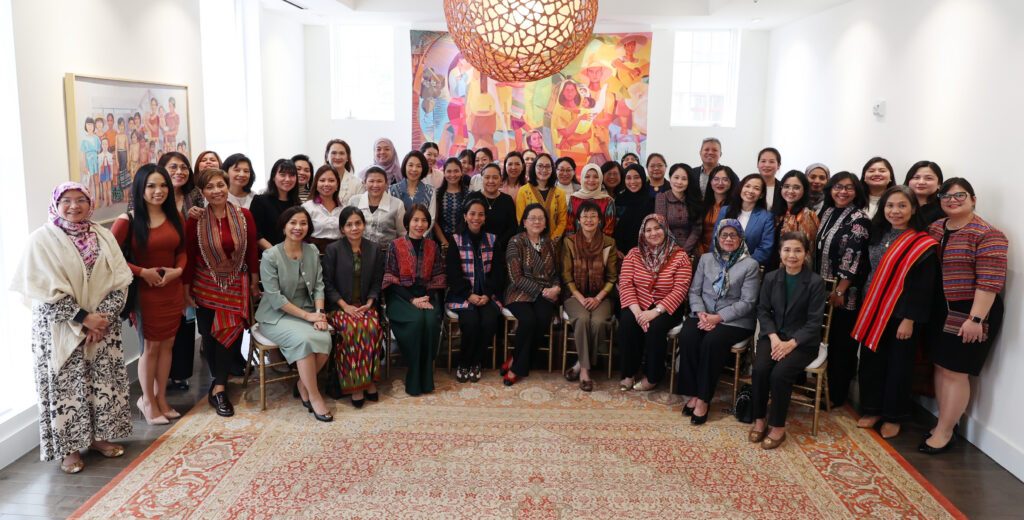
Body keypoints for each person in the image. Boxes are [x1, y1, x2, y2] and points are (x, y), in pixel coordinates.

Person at [10, 182, 134, 473]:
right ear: (56, 203)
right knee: (67, 387)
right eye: (67, 200)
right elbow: (40, 291)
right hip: (60, 328)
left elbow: (121, 279)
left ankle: (99, 437)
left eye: (81, 200)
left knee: (100, 383)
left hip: (101, 327)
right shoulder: (40, 240)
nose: (74, 206)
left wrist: (100, 319)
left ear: (90, 204)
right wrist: (84, 318)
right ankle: (69, 448)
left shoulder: (103, 236)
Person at [921, 178, 1007, 454]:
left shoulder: (987, 234)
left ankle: (946, 431)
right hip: (938, 307)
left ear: (973, 199)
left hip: (970, 309)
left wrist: (977, 319)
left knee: (956, 371)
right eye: (946, 195)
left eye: (960, 195)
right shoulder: (935, 227)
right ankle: (943, 422)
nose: (952, 200)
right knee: (940, 365)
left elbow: (989, 281)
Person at [853, 186, 938, 439]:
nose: (895, 211)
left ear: (913, 209)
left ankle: (894, 415)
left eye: (902, 205)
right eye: (890, 205)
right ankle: (872, 409)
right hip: (872, 309)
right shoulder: (877, 233)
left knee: (898, 366)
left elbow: (923, 288)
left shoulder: (923, 243)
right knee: (870, 362)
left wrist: (909, 319)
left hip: (901, 316)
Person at [111, 165, 187, 425]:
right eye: (151, 186)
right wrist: (142, 272)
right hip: (146, 293)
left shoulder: (175, 216)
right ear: (140, 189)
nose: (158, 191)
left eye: (163, 185)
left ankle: (161, 398)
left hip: (172, 290)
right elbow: (110, 258)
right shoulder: (127, 220)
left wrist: (178, 271)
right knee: (151, 347)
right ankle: (146, 401)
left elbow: (182, 251)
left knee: (168, 345)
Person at [184, 169, 260, 418]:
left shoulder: (244, 215)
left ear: (227, 187)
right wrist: (186, 291)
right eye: (210, 187)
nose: (216, 191)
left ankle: (218, 388)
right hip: (205, 286)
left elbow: (250, 252)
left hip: (237, 286)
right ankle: (218, 384)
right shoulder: (195, 220)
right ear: (202, 192)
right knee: (210, 337)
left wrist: (253, 282)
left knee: (232, 336)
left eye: (220, 185)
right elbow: (190, 257)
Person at [677, 219, 760, 424]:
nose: (728, 239)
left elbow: (747, 302)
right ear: (717, 237)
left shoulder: (750, 265)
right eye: (724, 235)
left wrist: (719, 317)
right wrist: (701, 313)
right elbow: (694, 291)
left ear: (741, 238)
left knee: (711, 342)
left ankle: (704, 399)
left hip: (734, 320)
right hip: (703, 314)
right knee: (687, 336)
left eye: (733, 235)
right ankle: (693, 393)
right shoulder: (706, 259)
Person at [748, 232, 827, 449]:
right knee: (760, 369)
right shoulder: (772, 277)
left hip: (802, 342)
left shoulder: (815, 282)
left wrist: (790, 344)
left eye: (798, 250)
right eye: (787, 250)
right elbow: (763, 311)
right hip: (773, 336)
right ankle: (759, 420)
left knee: (780, 374)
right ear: (780, 253)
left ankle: (778, 426)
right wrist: (774, 338)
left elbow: (814, 323)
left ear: (806, 253)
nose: (792, 255)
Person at [254, 207, 333, 421]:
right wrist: (308, 318)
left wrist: (319, 313)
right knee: (304, 341)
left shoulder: (312, 252)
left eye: (303, 223)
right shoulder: (271, 256)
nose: (298, 228)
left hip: (308, 310)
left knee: (325, 338)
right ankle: (314, 396)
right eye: (293, 223)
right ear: (284, 226)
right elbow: (275, 298)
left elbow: (318, 285)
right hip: (276, 315)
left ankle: (302, 383)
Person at [814, 171, 871, 408]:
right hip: (822, 287)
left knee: (841, 344)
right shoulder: (827, 212)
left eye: (849, 187)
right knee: (823, 339)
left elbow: (853, 258)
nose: (843, 191)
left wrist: (840, 290)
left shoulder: (860, 219)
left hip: (844, 293)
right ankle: (820, 390)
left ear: (857, 191)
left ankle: (836, 395)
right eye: (838, 186)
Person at [618, 214, 692, 391]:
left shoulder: (680, 256)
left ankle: (653, 376)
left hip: (666, 306)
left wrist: (654, 312)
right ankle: (629, 372)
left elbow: (680, 289)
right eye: (648, 230)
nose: (653, 233)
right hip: (639, 303)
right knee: (628, 322)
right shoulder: (633, 254)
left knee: (656, 328)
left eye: (657, 228)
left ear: (665, 230)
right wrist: (638, 313)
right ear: (642, 233)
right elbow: (626, 284)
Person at [324, 207, 385, 408]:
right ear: (342, 228)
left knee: (372, 328)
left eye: (358, 223)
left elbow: (377, 282)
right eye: (349, 224)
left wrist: (369, 303)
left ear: (364, 225)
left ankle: (369, 381)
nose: (354, 228)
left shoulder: (374, 249)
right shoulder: (333, 250)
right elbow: (327, 284)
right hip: (340, 307)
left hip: (365, 306)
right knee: (353, 330)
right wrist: (345, 306)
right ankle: (356, 386)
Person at [383, 204, 447, 396]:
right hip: (400, 296)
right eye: (416, 220)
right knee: (416, 321)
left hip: (427, 295)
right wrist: (412, 300)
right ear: (408, 222)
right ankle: (413, 373)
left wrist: (429, 300)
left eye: (424, 220)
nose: (420, 224)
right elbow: (390, 279)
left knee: (430, 321)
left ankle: (426, 377)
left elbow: (438, 277)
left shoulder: (432, 246)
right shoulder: (395, 246)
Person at [562, 201, 619, 392]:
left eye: (593, 216)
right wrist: (579, 297)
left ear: (600, 220)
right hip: (574, 295)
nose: (589, 220)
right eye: (585, 216)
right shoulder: (569, 242)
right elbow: (566, 276)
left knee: (599, 322)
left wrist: (598, 298)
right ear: (578, 220)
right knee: (583, 318)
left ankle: (579, 364)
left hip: (601, 295)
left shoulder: (609, 243)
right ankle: (586, 372)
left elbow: (612, 277)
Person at [501, 204, 561, 386]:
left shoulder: (549, 242)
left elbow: (557, 273)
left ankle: (515, 360)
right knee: (528, 320)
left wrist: (557, 288)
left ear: (545, 223)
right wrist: (543, 291)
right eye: (532, 218)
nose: (536, 221)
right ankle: (517, 368)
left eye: (541, 218)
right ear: (524, 222)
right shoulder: (515, 242)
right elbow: (515, 277)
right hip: (519, 292)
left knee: (543, 318)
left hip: (546, 293)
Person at [446, 199, 502, 383]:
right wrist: (468, 295)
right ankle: (463, 363)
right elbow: (452, 274)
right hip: (463, 295)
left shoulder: (493, 240)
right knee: (471, 323)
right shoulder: (456, 240)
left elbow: (497, 272)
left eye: (480, 214)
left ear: (485, 218)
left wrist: (486, 294)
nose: (476, 218)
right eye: (472, 214)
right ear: (465, 216)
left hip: (487, 294)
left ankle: (476, 362)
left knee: (488, 321)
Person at [716, 174, 775, 266]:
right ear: (741, 188)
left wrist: (742, 265)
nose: (750, 191)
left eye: (756, 188)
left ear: (761, 195)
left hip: (747, 268)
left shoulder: (766, 217)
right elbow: (715, 239)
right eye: (747, 186)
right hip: (721, 264)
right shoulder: (725, 210)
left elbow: (765, 249)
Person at [515, 153, 567, 242]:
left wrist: (551, 241)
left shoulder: (559, 193)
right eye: (540, 166)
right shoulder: (523, 191)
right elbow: (520, 219)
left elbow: (562, 221)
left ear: (552, 169)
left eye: (547, 166)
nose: (544, 169)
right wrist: (533, 240)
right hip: (530, 243)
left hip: (553, 244)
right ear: (534, 168)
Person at [772, 170, 820, 266]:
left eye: (796, 187)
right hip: (774, 269)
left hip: (796, 270)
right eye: (786, 186)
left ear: (804, 190)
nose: (790, 191)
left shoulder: (808, 215)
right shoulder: (778, 214)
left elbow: (809, 252)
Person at [349, 166, 407, 246]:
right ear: (364, 183)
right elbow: (347, 229)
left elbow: (402, 234)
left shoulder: (397, 204)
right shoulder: (354, 201)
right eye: (371, 181)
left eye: (379, 181)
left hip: (387, 254)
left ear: (386, 183)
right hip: (358, 252)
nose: (375, 185)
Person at [250, 159, 300, 251]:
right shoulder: (260, 201)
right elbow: (255, 233)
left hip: (293, 255)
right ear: (273, 177)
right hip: (268, 256)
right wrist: (276, 254)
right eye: (282, 174)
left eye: (292, 175)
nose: (287, 179)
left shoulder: (297, 204)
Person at [654, 163, 702, 254]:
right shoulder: (661, 198)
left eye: (684, 179)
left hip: (690, 250)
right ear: (670, 178)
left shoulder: (694, 200)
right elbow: (662, 226)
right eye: (676, 177)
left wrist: (684, 251)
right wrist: (673, 250)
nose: (679, 182)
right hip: (666, 249)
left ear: (689, 181)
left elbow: (697, 230)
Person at [696, 166, 738, 256]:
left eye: (725, 180)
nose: (720, 183)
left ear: (731, 182)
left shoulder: (735, 207)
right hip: (700, 252)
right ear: (710, 182)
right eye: (715, 179)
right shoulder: (703, 203)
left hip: (724, 253)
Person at [614, 164, 654, 255]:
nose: (632, 181)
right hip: (620, 253)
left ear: (643, 178)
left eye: (636, 177)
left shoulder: (650, 201)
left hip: (646, 253)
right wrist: (616, 249)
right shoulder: (619, 200)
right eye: (628, 178)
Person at [302, 165, 343, 253]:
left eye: (331, 180)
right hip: (314, 254)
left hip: (339, 254)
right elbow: (302, 236)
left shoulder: (343, 208)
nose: (326, 184)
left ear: (337, 184)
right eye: (322, 180)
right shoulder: (307, 208)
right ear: (316, 183)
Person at [567, 163, 616, 236]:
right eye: (587, 176)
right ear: (582, 178)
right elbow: (569, 225)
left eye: (596, 177)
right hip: (575, 244)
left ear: (600, 179)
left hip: (601, 244)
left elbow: (609, 228)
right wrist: (573, 243)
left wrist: (598, 244)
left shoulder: (607, 201)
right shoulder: (574, 198)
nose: (591, 180)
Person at [389, 150, 437, 220]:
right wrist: (403, 231)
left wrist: (421, 230)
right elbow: (391, 217)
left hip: (423, 230)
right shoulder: (392, 190)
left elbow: (431, 218)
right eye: (410, 165)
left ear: (423, 168)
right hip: (398, 231)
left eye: (418, 166)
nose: (414, 169)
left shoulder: (430, 190)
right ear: (405, 166)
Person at [434, 157, 470, 248]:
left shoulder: (468, 193)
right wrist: (445, 243)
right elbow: (434, 221)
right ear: (444, 173)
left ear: (461, 172)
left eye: (456, 171)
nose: (452, 174)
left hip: (464, 239)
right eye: (449, 171)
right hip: (442, 239)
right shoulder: (438, 193)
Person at [157, 152, 205, 220]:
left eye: (184, 167)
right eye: (173, 167)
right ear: (162, 170)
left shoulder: (195, 194)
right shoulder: (155, 196)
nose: (179, 172)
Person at [325, 139, 365, 204]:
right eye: (334, 153)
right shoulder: (318, 181)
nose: (337, 157)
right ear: (327, 157)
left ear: (347, 158)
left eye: (341, 153)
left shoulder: (357, 184)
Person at [757, 147, 783, 211]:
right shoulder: (747, 186)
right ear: (758, 164)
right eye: (763, 161)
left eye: (771, 162)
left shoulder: (783, 188)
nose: (767, 165)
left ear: (778, 165)